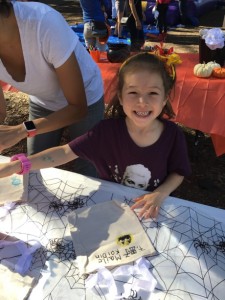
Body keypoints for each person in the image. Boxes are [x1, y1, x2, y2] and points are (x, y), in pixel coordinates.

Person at [0, 52, 191, 219]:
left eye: (152, 93)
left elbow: (179, 171)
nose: (142, 102)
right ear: (121, 97)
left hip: (154, 210)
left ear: (165, 98)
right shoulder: (105, 132)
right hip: (112, 207)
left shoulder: (173, 135)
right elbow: (65, 152)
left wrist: (160, 194)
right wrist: (20, 164)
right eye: (133, 92)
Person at [0, 0, 105, 177]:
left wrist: (20, 131)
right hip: (43, 100)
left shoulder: (44, 22)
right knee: (32, 168)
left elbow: (78, 109)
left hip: (86, 98)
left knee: (87, 168)